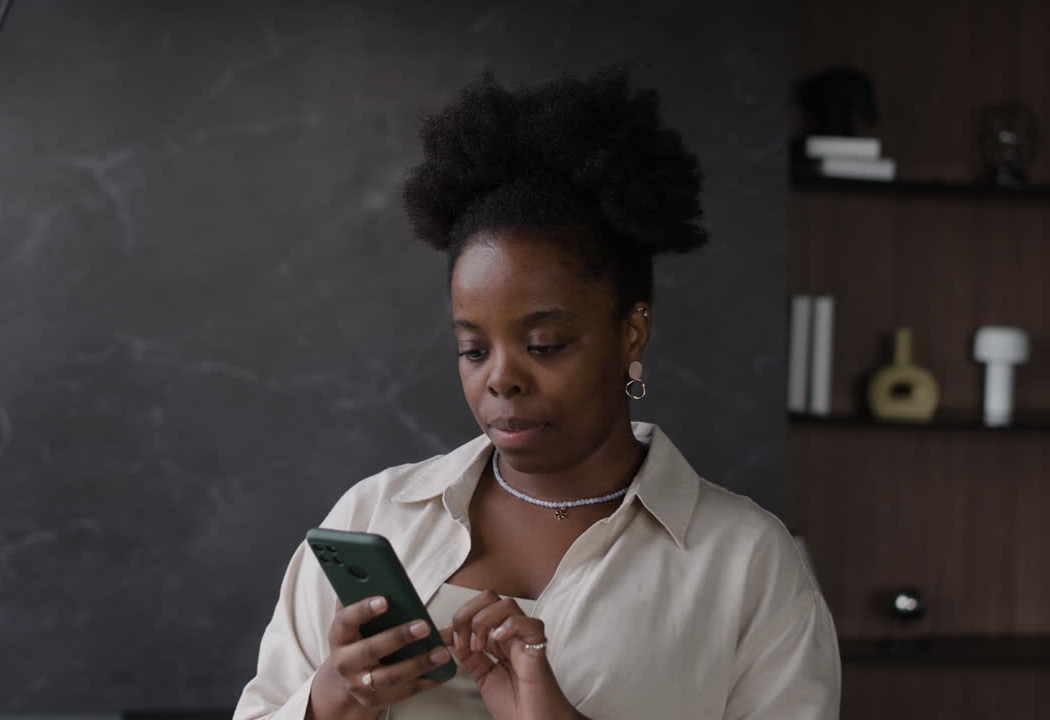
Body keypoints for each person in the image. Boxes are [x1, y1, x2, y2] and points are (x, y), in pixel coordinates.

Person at [233, 67, 840, 720]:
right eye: (473, 348)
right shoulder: (371, 516)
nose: (500, 377)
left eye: (544, 344)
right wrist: (329, 702)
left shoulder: (746, 563)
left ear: (631, 333)